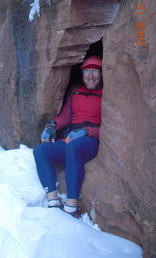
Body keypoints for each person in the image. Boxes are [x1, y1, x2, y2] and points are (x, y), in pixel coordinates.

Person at [33, 56, 103, 218]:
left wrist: (87, 131)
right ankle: (53, 200)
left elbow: (110, 126)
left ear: (101, 74)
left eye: (95, 71)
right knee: (40, 151)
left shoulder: (106, 94)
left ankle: (71, 206)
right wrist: (52, 125)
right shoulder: (75, 91)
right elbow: (65, 115)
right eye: (87, 71)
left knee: (72, 148)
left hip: (90, 141)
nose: (90, 75)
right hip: (71, 138)